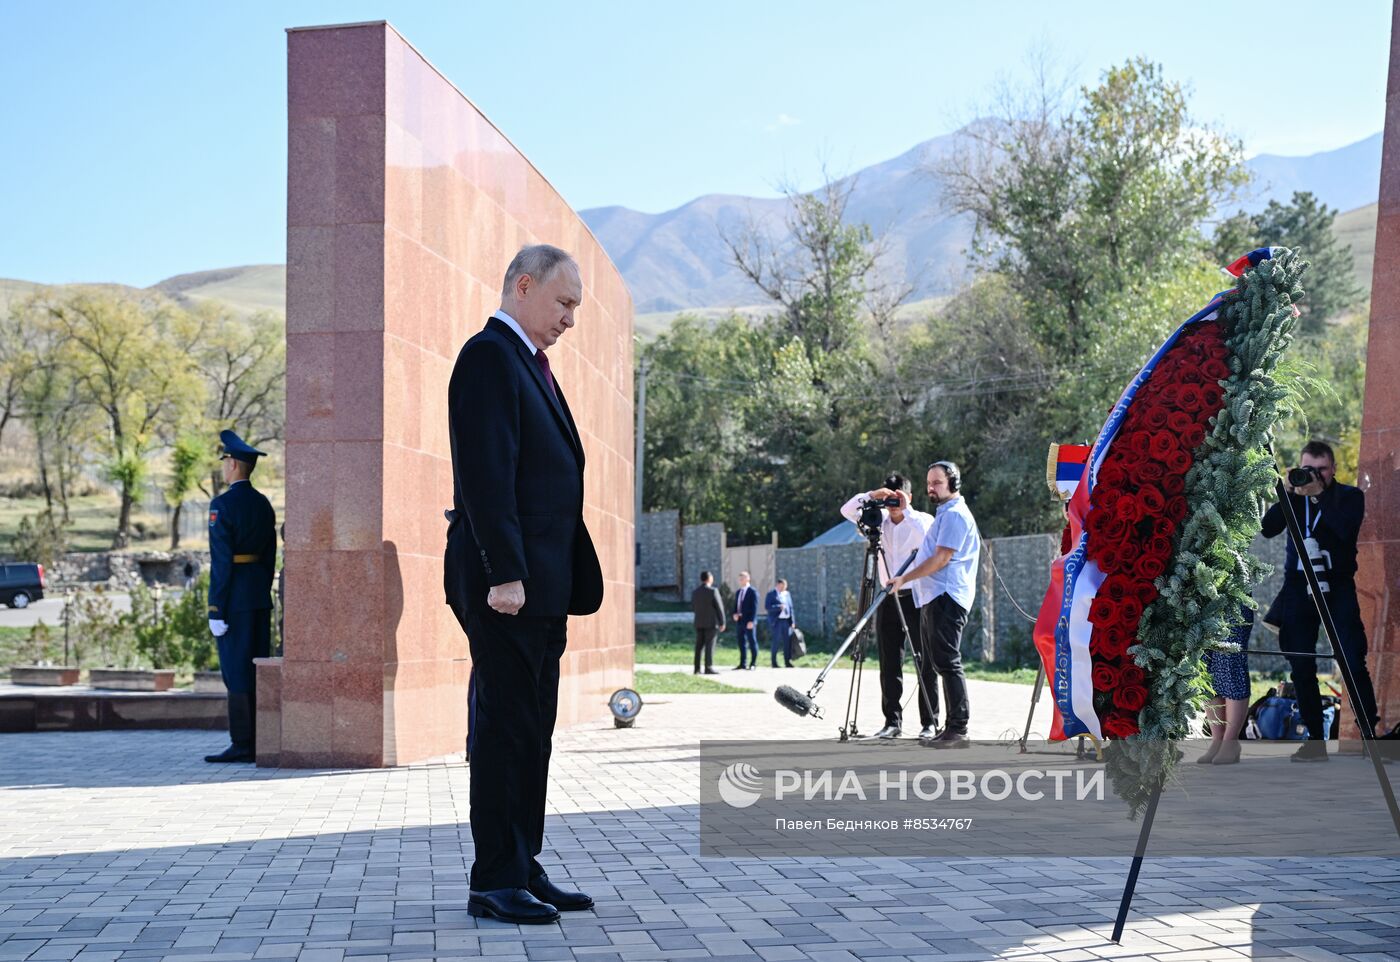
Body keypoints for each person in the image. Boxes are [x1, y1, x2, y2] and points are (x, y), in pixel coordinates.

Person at [444, 244, 604, 924]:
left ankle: (523, 862)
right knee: (506, 731)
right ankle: (494, 879)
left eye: (576, 308)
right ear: (523, 286)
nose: (571, 319)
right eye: (564, 303)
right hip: (504, 584)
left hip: (542, 587)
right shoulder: (488, 357)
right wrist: (507, 573)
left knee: (531, 731)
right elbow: (487, 474)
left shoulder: (530, 366)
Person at [1261, 440, 1380, 763]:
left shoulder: (1348, 497)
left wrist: (1319, 494)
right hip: (1299, 589)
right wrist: (1286, 491)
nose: (1314, 474)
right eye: (1307, 468)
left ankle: (1370, 735)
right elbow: (1268, 528)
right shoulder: (1294, 499)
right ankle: (1315, 739)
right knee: (1301, 663)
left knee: (1352, 659)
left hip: (1337, 586)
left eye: (1321, 469)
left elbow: (1344, 530)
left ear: (1333, 469)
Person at [889, 461, 981, 748]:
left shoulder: (954, 515)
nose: (931, 487)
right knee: (939, 662)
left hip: (947, 597)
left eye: (937, 482)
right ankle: (950, 728)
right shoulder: (944, 514)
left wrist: (904, 578)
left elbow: (941, 559)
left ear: (953, 483)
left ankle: (959, 728)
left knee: (947, 662)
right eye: (929, 482)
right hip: (935, 597)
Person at [839, 473, 935, 739]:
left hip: (916, 596)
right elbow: (847, 510)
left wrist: (907, 509)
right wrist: (872, 495)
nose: (892, 502)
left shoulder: (922, 521)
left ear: (909, 496)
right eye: (889, 497)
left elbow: (930, 536)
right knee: (889, 661)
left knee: (923, 659)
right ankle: (892, 722)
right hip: (887, 598)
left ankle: (930, 722)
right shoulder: (877, 522)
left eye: (897, 496)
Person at [203, 429, 277, 764]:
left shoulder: (222, 505)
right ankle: (260, 739)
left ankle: (243, 742)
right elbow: (270, 555)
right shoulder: (263, 505)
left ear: (232, 464)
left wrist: (215, 607)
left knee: (235, 671)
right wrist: (260, 590)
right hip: (258, 598)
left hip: (233, 600)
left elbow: (221, 562)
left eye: (224, 462)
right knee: (255, 668)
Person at [1198, 606, 1253, 765]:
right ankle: (1218, 739)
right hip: (1202, 598)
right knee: (1206, 666)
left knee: (1230, 662)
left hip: (1234, 597)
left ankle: (1230, 741)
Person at [691, 570, 725, 674]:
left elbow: (693, 606)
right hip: (711, 623)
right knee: (709, 645)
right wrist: (722, 622)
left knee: (699, 646)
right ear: (709, 578)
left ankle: (697, 668)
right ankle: (708, 667)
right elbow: (719, 607)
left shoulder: (695, 592)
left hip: (699, 622)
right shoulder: (713, 591)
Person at [731, 570, 759, 670]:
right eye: (740, 579)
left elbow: (755, 607)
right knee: (741, 642)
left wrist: (752, 620)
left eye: (743, 578)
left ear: (748, 579)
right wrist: (734, 614)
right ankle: (743, 663)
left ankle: (753, 663)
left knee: (752, 642)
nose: (741, 580)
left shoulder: (752, 591)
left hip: (749, 621)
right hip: (740, 621)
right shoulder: (739, 592)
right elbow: (736, 605)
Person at [765, 578, 795, 667]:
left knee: (787, 642)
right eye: (782, 586)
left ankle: (787, 661)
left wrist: (792, 621)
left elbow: (791, 608)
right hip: (777, 621)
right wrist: (778, 607)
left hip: (786, 621)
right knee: (776, 641)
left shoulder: (787, 594)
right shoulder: (771, 594)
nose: (784, 589)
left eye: (785, 587)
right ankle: (774, 662)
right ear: (778, 585)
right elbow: (768, 607)